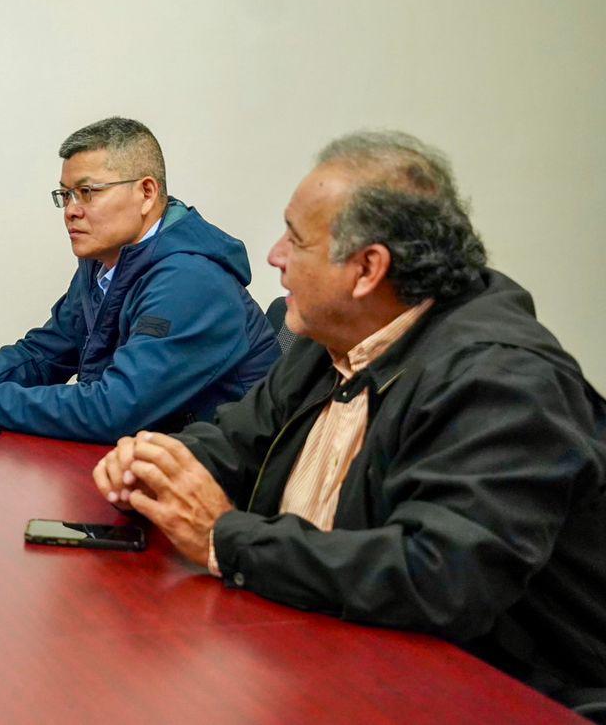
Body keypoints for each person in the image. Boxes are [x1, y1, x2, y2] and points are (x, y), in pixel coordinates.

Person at [93, 131, 606, 709]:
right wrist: (155, 465)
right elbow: (236, 439)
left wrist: (225, 539)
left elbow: (438, 577)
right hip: (326, 650)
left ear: (367, 269)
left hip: (505, 695)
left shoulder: (504, 382)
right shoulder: (333, 336)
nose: (274, 256)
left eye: (296, 239)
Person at [0, 117, 279, 442]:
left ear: (146, 193)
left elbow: (115, 410)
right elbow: (48, 352)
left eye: (87, 192)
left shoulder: (190, 281)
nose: (71, 210)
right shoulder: (106, 261)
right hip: (142, 460)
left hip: (216, 480)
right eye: (65, 195)